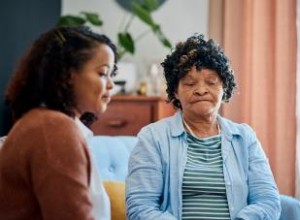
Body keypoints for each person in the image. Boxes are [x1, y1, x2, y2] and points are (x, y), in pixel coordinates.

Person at [126, 34, 281, 219]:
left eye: (211, 82)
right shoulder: (153, 137)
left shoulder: (245, 137)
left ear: (224, 87)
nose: (201, 90)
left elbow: (268, 201)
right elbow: (141, 208)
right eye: (190, 83)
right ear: (175, 91)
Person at [0, 26, 118, 220]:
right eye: (102, 73)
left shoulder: (47, 122)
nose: (111, 84)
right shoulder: (52, 129)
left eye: (111, 73)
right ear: (68, 74)